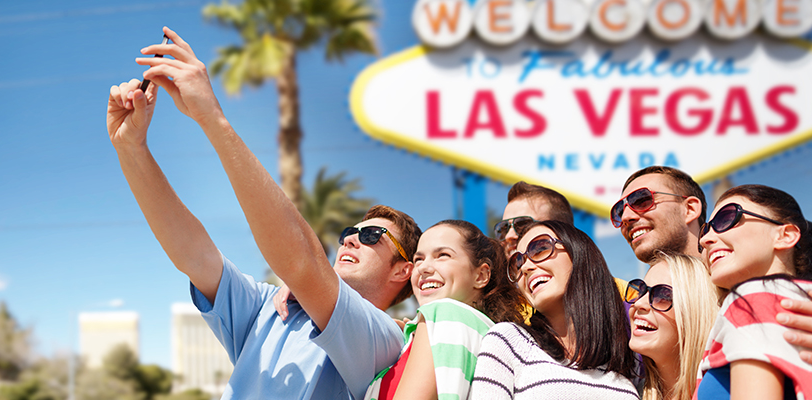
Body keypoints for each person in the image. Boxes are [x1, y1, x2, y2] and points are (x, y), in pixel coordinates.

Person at [106, 27, 420, 399]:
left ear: (403, 270)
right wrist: (132, 148)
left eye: (372, 236)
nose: (351, 237)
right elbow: (193, 252)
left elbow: (304, 264)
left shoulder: (383, 340)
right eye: (350, 231)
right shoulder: (269, 309)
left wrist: (213, 119)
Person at [615, 166, 812, 368]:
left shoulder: (780, 295)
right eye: (618, 211)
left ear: (690, 208)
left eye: (642, 200)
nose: (626, 217)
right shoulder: (630, 316)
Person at [470, 220, 639, 399]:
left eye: (540, 248)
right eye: (518, 263)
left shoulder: (625, 373)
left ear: (579, 252)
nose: (525, 268)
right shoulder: (508, 341)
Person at [695, 184, 812, 399]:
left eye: (727, 218)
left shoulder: (753, 296)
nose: (705, 240)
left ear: (785, 235)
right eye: (705, 230)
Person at [364, 220, 525, 400]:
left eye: (442, 255)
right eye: (419, 259)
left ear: (480, 275)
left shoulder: (443, 313)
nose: (423, 268)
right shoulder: (492, 335)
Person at [495, 181, 629, 296]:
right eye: (503, 228)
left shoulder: (624, 297)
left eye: (522, 225)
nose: (509, 236)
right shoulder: (507, 315)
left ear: (564, 232)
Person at [626, 252, 720, 400]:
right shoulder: (628, 394)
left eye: (662, 296)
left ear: (695, 313)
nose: (638, 303)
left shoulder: (728, 392)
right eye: (640, 291)